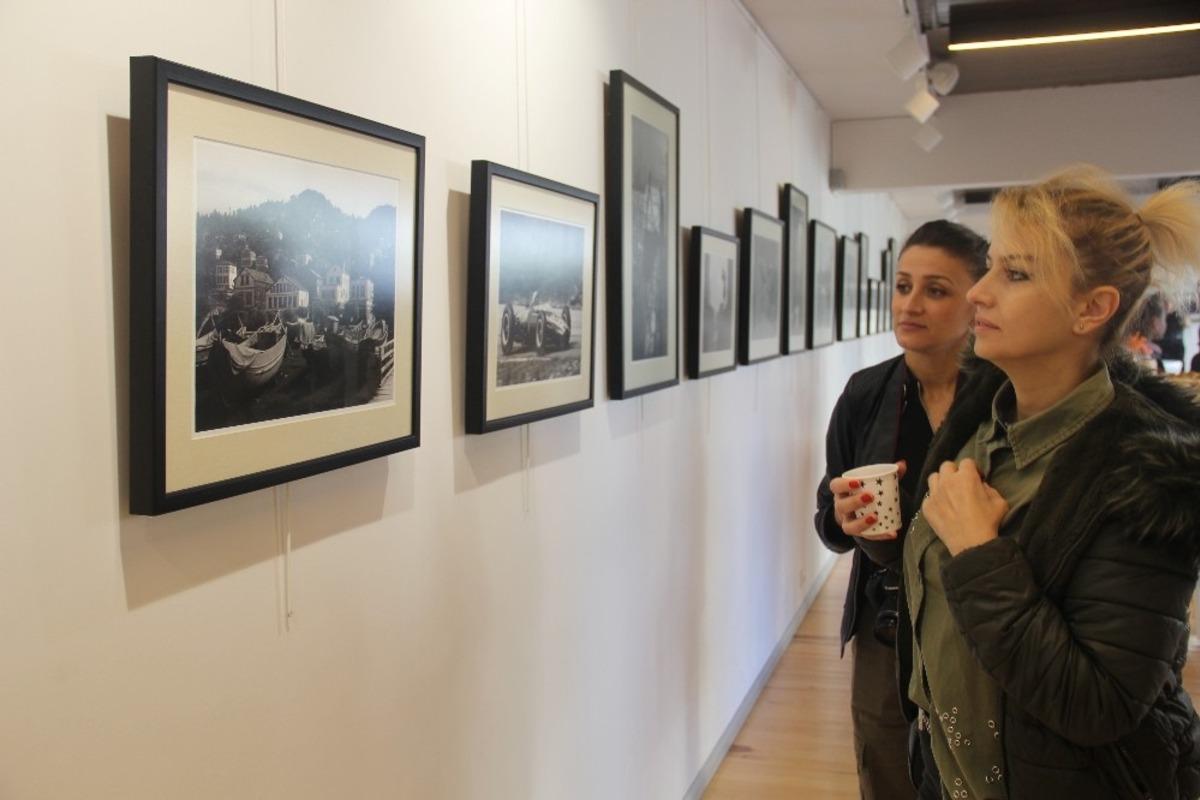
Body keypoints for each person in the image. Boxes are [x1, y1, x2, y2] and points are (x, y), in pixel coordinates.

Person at [897, 166, 1200, 799]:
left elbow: (1100, 705)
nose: (978, 293)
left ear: (1092, 309)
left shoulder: (1144, 474)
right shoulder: (982, 411)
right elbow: (945, 576)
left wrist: (981, 554)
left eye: (1015, 274)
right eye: (992, 267)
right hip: (946, 771)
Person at [814, 220, 988, 800]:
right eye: (903, 285)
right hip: (885, 620)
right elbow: (828, 518)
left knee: (971, 770)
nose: (911, 304)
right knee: (884, 764)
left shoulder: (1002, 396)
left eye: (936, 290)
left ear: (976, 302)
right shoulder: (866, 394)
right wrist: (841, 518)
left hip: (975, 625)